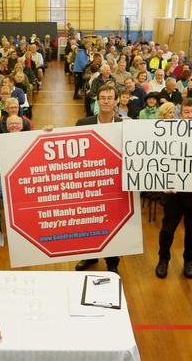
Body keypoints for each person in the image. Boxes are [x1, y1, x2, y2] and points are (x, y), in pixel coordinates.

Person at [74, 84, 123, 273]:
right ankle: (89, 256)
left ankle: (112, 262)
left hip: (115, 183)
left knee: (113, 223)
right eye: (102, 97)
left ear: (116, 101)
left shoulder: (124, 125)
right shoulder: (82, 123)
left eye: (110, 97)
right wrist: (49, 133)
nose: (106, 101)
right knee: (89, 221)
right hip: (89, 182)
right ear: (97, 100)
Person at [155, 99, 192, 280]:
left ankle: (189, 261)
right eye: (187, 112)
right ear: (180, 115)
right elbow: (158, 159)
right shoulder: (168, 134)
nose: (190, 115)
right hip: (173, 191)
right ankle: (163, 259)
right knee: (167, 229)